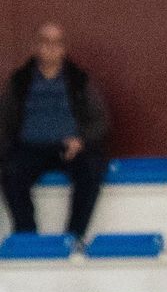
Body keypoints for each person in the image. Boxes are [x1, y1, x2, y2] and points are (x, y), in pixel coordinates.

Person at [0, 22, 109, 242]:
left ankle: (73, 237)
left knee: (91, 170)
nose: (50, 48)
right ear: (35, 46)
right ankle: (27, 236)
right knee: (10, 172)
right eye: (45, 42)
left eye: (56, 43)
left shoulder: (78, 80)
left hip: (68, 148)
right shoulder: (19, 81)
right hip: (29, 148)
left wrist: (81, 140)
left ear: (63, 48)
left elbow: (101, 119)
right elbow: (4, 121)